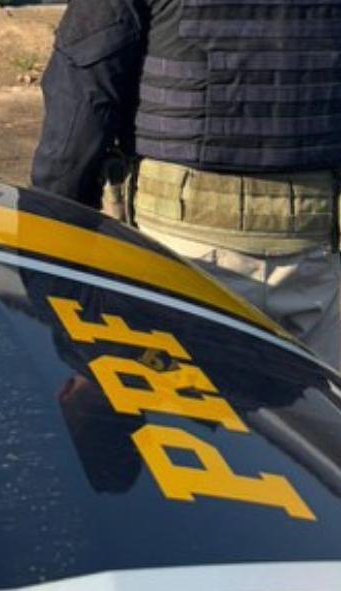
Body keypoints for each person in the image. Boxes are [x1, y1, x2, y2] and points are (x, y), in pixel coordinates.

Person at [30, 0, 341, 369]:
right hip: (317, 263)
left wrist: (50, 275)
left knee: (173, 403)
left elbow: (77, 115)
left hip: (179, 260)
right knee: (318, 406)